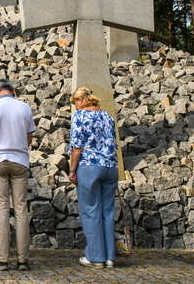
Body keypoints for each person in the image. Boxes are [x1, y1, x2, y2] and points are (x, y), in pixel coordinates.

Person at [0, 79, 36, 271]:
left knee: (1, 208)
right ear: (14, 90)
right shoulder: (25, 108)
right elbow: (29, 135)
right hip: (19, 160)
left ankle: (3, 259)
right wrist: (21, 148)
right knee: (20, 209)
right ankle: (22, 260)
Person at [67, 87, 118, 269]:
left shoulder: (80, 117)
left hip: (89, 166)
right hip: (110, 167)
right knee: (107, 211)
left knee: (90, 211)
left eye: (75, 102)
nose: (75, 106)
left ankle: (95, 257)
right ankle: (110, 257)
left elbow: (77, 148)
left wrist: (72, 170)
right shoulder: (107, 116)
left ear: (82, 100)